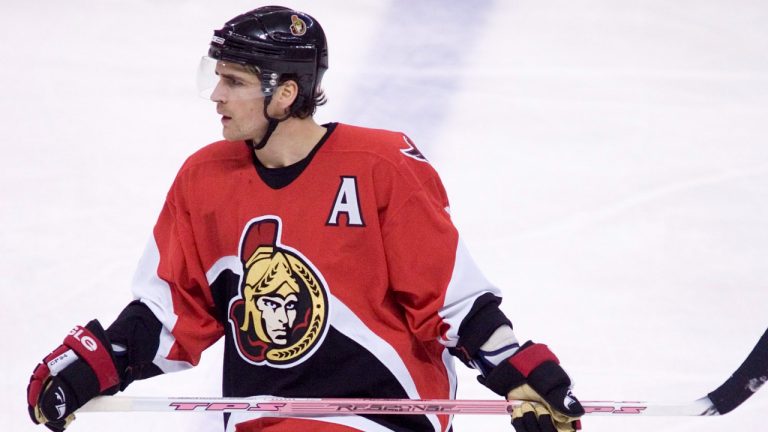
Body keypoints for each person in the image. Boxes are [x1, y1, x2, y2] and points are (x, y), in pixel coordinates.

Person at [26, 6, 585, 432]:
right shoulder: (205, 178)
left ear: (285, 93)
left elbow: (450, 301)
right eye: (216, 77)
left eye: (235, 82)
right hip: (260, 421)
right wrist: (92, 366)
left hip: (380, 420)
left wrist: (518, 370)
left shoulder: (379, 165)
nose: (216, 96)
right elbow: (171, 313)